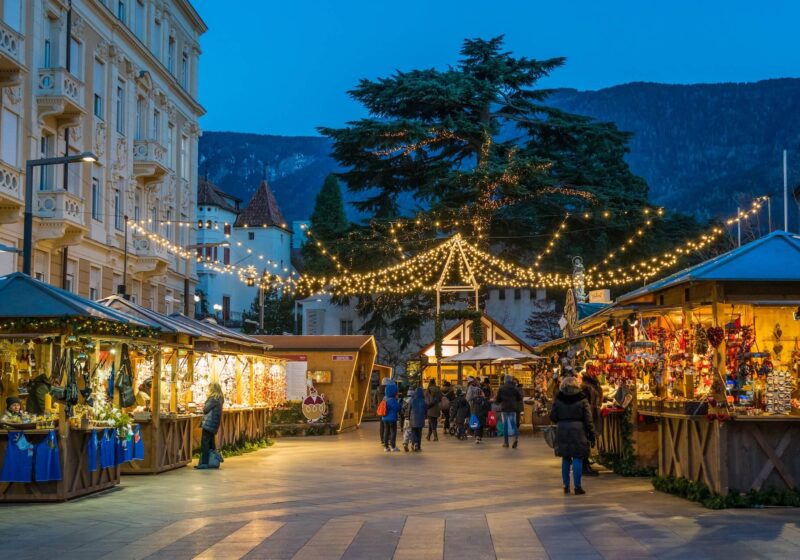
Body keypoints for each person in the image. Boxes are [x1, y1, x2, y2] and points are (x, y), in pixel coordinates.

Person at [549, 376, 596, 495]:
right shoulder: (582, 399)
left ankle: (565, 485)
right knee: (577, 457)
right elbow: (588, 419)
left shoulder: (558, 399)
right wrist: (591, 434)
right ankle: (577, 487)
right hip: (578, 430)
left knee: (565, 458)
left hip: (562, 429)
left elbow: (553, 416)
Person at [196, 382, 224, 470]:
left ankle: (204, 463)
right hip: (213, 424)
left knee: (205, 443)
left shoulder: (213, 399)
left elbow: (205, 409)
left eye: (209, 389)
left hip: (208, 424)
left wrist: (205, 403)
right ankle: (212, 461)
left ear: (212, 389)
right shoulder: (219, 399)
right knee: (211, 444)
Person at [580, 368, 603, 477]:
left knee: (587, 440)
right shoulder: (587, 388)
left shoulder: (587, 387)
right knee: (587, 440)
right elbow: (588, 404)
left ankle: (585, 464)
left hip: (589, 415)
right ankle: (585, 466)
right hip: (589, 416)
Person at [495, 374, 523, 449]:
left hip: (504, 409)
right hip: (513, 408)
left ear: (505, 380)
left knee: (505, 426)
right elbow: (519, 398)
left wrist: (499, 401)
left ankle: (506, 442)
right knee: (513, 425)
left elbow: (498, 400)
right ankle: (515, 438)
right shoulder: (515, 388)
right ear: (511, 380)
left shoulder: (501, 388)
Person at [382, 380, 401, 452]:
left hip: (384, 418)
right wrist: (398, 402)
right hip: (392, 418)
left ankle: (386, 447)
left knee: (386, 432)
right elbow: (397, 408)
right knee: (393, 432)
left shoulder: (384, 398)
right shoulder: (392, 400)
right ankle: (393, 446)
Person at [410, 387, 427, 451]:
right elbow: (426, 410)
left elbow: (409, 409)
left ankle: (413, 444)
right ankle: (418, 446)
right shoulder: (423, 401)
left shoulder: (412, 400)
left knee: (413, 432)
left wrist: (408, 417)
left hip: (413, 419)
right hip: (420, 419)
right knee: (419, 433)